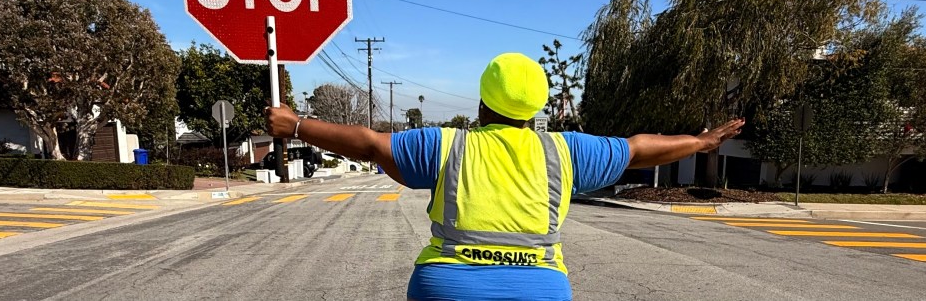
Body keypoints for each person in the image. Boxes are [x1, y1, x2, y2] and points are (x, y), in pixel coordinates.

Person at [265, 52, 744, 300]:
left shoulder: (447, 144)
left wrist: (297, 124)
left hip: (446, 285)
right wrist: (701, 142)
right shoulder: (565, 150)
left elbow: (369, 142)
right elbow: (639, 149)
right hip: (538, 288)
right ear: (536, 107)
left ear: (480, 104)